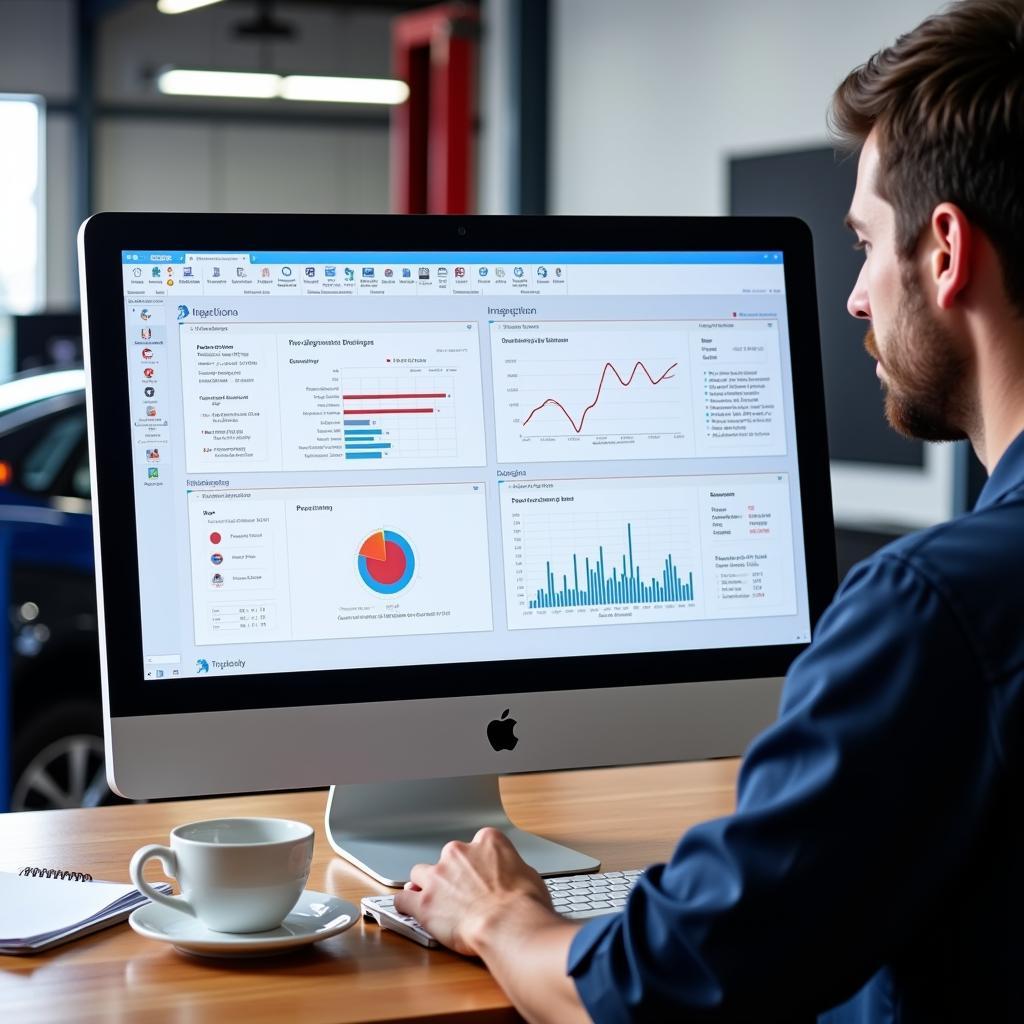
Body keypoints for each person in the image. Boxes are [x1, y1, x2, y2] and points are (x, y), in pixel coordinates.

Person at [394, 1, 1024, 1020]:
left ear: (944, 250)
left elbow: (657, 993)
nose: (857, 297)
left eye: (865, 243)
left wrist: (501, 916)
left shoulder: (933, 610)